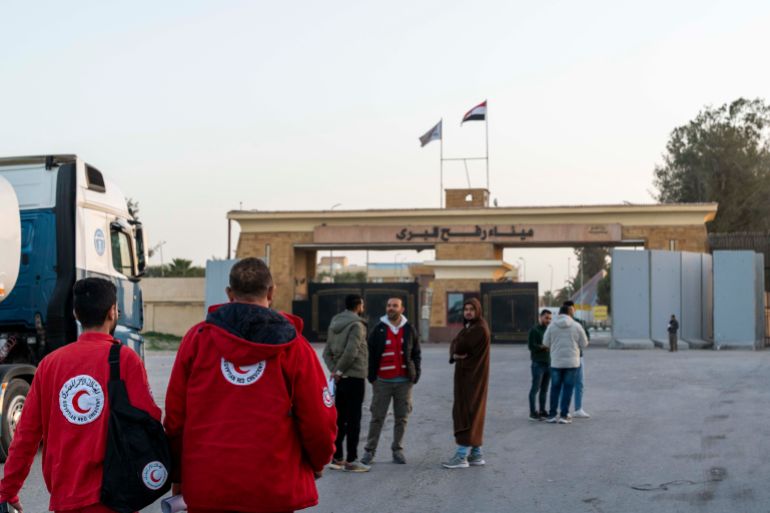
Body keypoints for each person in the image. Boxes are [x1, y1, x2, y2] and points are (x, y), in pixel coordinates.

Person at [164, 258, 337, 513]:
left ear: (229, 294)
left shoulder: (198, 340)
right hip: (272, 489)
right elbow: (318, 420)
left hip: (208, 487)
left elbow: (176, 419)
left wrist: (178, 474)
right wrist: (318, 461)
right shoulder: (295, 347)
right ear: (271, 292)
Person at [0, 277, 161, 513]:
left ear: (75, 313)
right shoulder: (126, 360)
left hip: (66, 499)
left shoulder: (49, 365)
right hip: (117, 498)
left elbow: (26, 435)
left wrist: (8, 489)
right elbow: (150, 423)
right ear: (113, 312)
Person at [361, 297, 421, 465]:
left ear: (402, 309)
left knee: (401, 418)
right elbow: (370, 354)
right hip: (382, 382)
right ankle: (369, 451)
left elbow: (416, 353)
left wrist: (415, 375)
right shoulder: (378, 329)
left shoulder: (410, 329)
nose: (391, 308)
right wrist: (372, 377)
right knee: (377, 417)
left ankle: (397, 450)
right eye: (388, 305)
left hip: (404, 382)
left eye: (395, 306)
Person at [322, 294, 370, 472]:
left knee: (339, 418)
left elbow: (326, 352)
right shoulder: (357, 325)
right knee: (354, 420)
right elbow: (352, 351)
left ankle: (337, 457)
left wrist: (335, 371)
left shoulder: (335, 322)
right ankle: (352, 460)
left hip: (339, 380)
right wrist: (340, 371)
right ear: (358, 306)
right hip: (354, 377)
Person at [442, 298, 491, 469]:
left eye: (472, 309)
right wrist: (456, 352)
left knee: (467, 412)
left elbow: (459, 345)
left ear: (478, 311)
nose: (468, 312)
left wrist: (457, 351)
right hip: (470, 378)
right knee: (474, 411)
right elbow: (457, 346)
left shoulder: (478, 329)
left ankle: (462, 455)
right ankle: (476, 453)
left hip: (472, 379)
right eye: (466, 309)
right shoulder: (471, 327)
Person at [543, 305, 588, 424]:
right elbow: (584, 343)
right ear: (570, 313)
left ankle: (552, 415)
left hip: (556, 362)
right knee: (568, 389)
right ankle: (564, 416)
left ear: (559, 313)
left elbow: (545, 342)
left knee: (555, 388)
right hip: (572, 363)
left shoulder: (552, 326)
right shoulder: (577, 326)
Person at [564, 300, 591, 419]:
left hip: (578, 356)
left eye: (572, 309)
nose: (570, 312)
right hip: (565, 357)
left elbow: (586, 338)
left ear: (574, 310)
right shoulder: (559, 323)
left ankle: (578, 409)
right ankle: (563, 409)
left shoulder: (580, 323)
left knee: (579, 383)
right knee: (565, 383)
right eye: (568, 310)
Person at [528, 309, 552, 421]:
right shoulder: (534, 330)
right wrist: (542, 347)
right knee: (535, 389)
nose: (548, 320)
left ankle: (542, 411)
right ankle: (533, 413)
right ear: (540, 317)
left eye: (550, 318)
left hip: (549, 364)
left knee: (544, 389)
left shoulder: (550, 330)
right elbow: (531, 346)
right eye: (546, 318)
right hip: (538, 364)